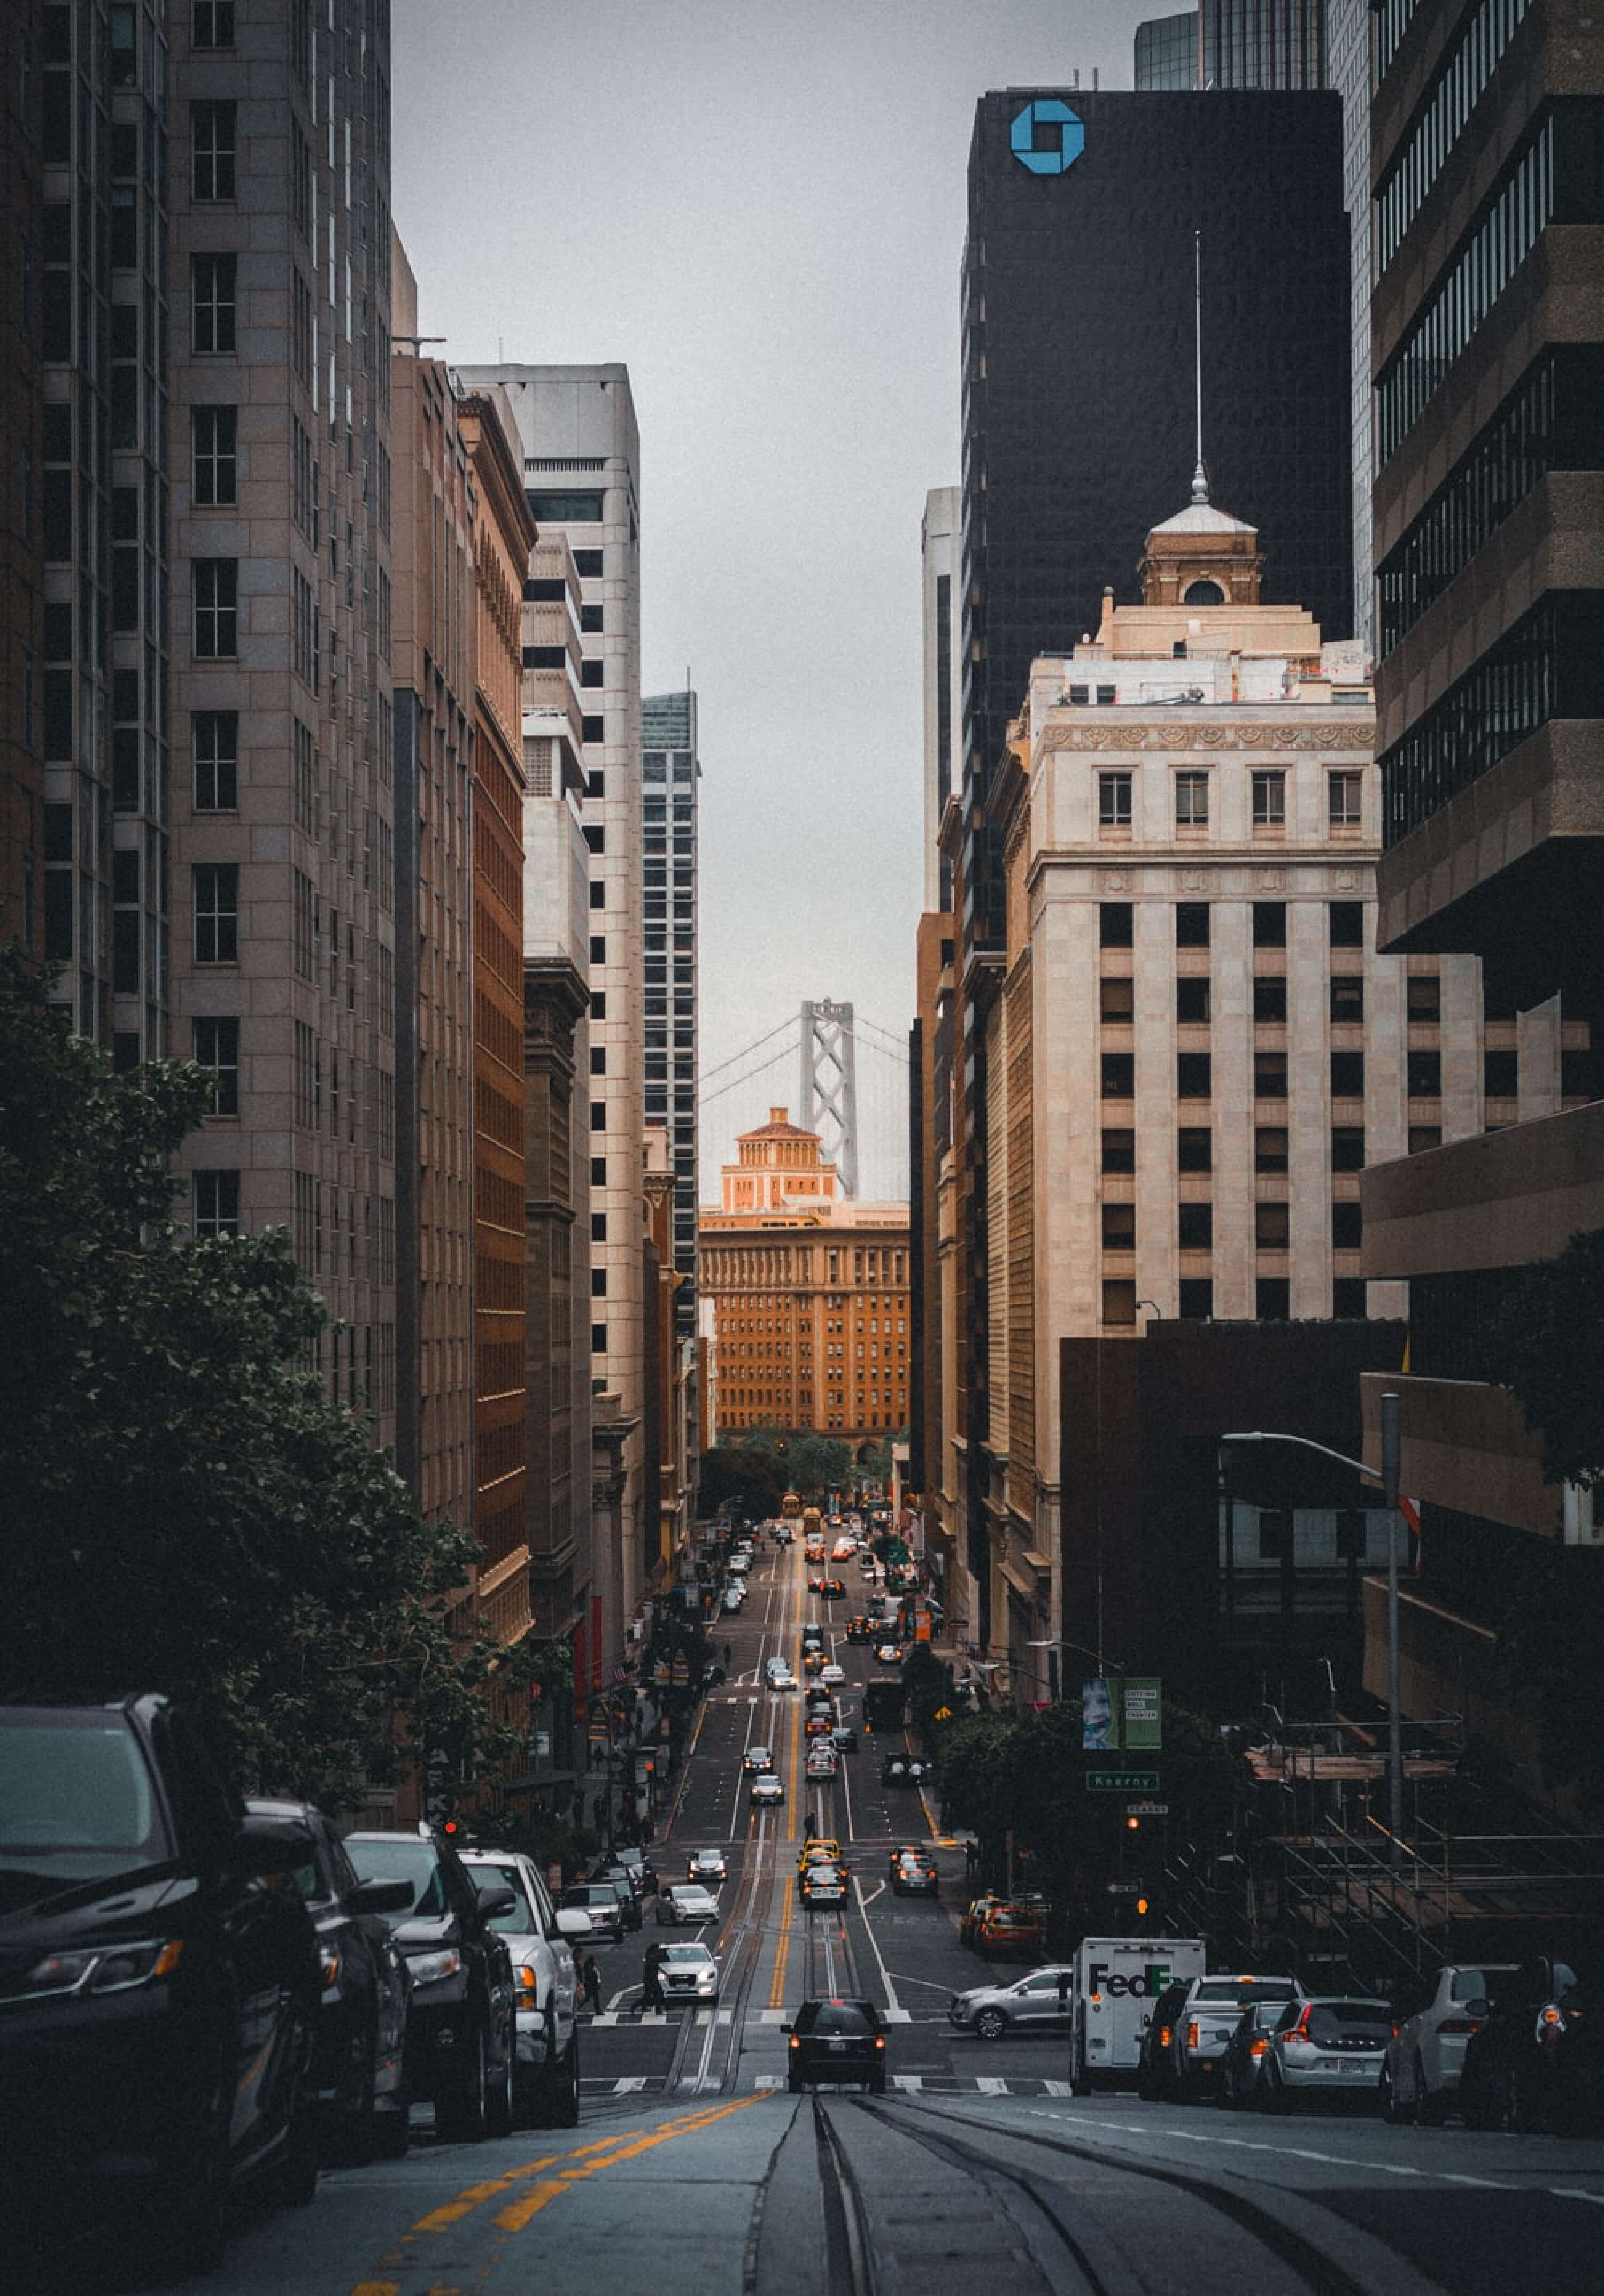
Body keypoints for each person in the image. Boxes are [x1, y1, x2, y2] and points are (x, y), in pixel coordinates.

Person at [642, 1940, 666, 2015]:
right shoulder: (651, 1958)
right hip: (650, 1979)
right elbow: (654, 1966)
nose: (658, 1951)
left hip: (652, 1978)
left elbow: (659, 1965)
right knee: (658, 1993)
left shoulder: (653, 1957)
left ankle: (642, 2006)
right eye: (657, 1949)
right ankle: (658, 2010)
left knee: (649, 1994)